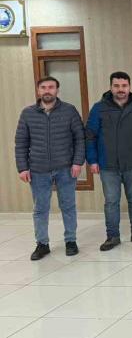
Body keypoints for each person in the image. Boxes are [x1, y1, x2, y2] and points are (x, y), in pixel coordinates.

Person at [15, 77, 85, 260]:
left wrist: (77, 162)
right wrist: (22, 168)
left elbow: (80, 138)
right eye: (44, 87)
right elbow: (21, 143)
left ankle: (71, 241)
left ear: (57, 90)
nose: (47, 90)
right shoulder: (27, 113)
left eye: (51, 87)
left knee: (68, 206)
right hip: (38, 170)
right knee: (40, 209)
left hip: (65, 168)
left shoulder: (69, 111)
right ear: (38, 91)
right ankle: (42, 244)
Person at [86, 71, 132, 251]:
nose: (120, 89)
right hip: (108, 165)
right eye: (116, 86)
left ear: (129, 87)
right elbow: (90, 136)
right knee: (111, 202)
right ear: (111, 87)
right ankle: (112, 236)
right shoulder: (99, 108)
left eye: (124, 86)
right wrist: (92, 160)